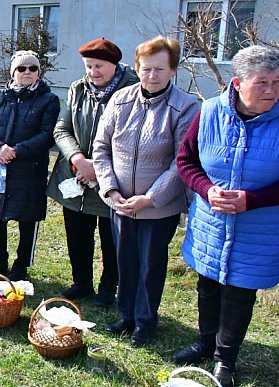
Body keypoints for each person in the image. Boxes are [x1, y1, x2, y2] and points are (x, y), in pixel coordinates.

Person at [172, 45, 279, 387]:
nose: (272, 90)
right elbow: (186, 161)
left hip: (257, 228)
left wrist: (253, 199)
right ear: (237, 83)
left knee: (239, 291)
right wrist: (207, 190)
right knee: (208, 285)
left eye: (277, 82)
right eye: (262, 82)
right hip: (211, 222)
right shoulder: (210, 111)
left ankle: (225, 360)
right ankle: (205, 343)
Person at [93, 36, 200, 346]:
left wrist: (150, 199)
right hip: (121, 201)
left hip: (157, 205)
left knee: (150, 264)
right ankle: (125, 313)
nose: (152, 76)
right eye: (146, 68)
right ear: (137, 67)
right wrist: (111, 191)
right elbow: (101, 147)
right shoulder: (120, 100)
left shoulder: (186, 107)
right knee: (123, 258)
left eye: (160, 69)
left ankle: (145, 320)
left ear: (173, 70)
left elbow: (182, 161)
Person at [45, 38, 139, 306]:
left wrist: (98, 168)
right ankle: (81, 282)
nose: (93, 72)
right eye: (88, 66)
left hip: (112, 180)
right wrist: (77, 159)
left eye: (99, 66)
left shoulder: (131, 92)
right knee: (77, 233)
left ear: (114, 65)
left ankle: (109, 286)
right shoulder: (78, 88)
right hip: (74, 174)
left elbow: (131, 139)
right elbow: (62, 129)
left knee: (111, 237)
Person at [0, 50, 59, 280]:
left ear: (39, 72)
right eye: (22, 68)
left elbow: (47, 135)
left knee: (27, 217)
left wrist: (17, 151)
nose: (27, 72)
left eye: (33, 68)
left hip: (28, 170)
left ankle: (22, 264)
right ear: (13, 72)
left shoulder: (48, 100)